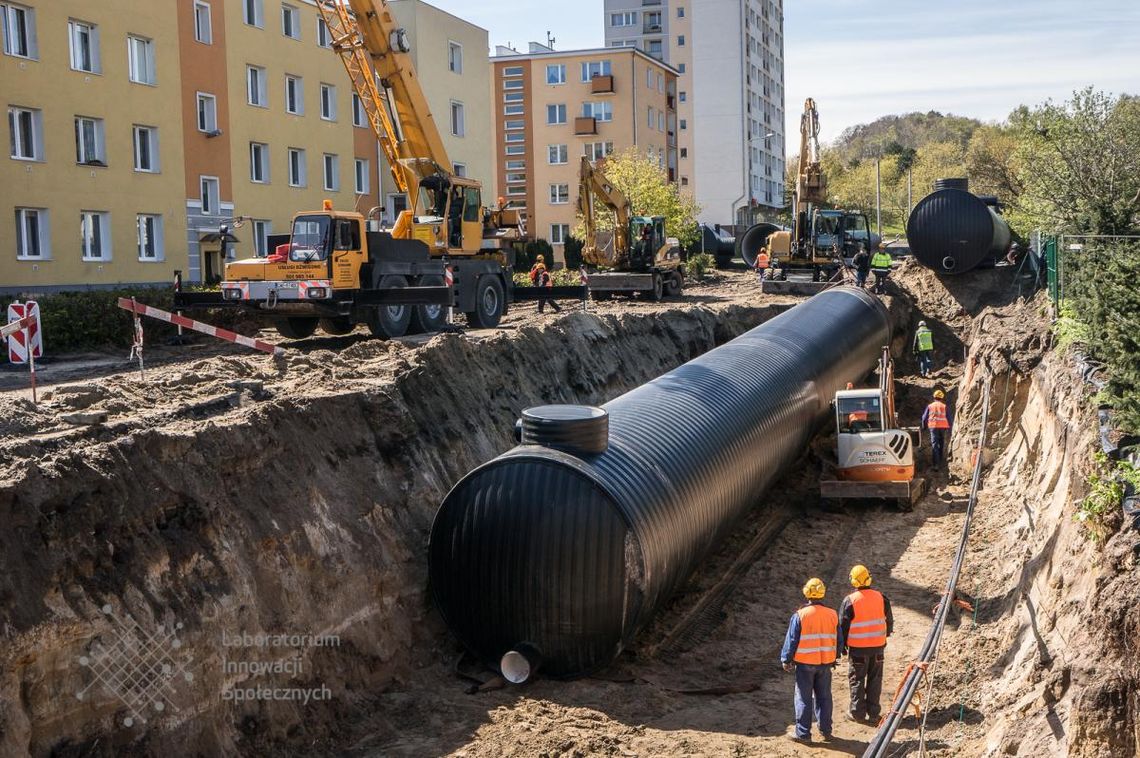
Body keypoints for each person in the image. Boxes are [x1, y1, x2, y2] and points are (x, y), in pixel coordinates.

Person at [780, 577, 842, 745]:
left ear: (806, 592)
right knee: (824, 697)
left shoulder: (800, 615)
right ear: (822, 593)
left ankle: (803, 734)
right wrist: (835, 657)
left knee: (803, 698)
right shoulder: (832, 614)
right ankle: (826, 731)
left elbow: (792, 640)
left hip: (805, 665)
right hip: (825, 664)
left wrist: (786, 659)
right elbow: (839, 640)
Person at [839, 565, 894, 723]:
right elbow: (889, 621)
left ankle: (857, 713)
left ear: (852, 581)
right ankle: (874, 713)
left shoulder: (850, 601)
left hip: (858, 650)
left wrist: (841, 647)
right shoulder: (881, 597)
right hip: (877, 647)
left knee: (857, 679)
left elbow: (843, 626)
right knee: (875, 679)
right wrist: (885, 635)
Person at [921, 389, 952, 468]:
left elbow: (924, 418)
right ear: (942, 398)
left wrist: (924, 426)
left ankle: (936, 464)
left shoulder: (930, 406)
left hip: (933, 427)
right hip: (943, 427)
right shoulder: (944, 406)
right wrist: (950, 429)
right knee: (941, 443)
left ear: (934, 397)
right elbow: (949, 418)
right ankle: (940, 460)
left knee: (935, 444)